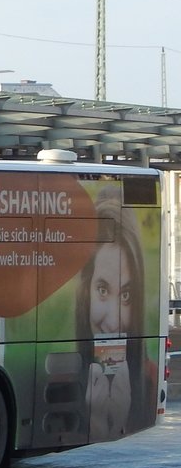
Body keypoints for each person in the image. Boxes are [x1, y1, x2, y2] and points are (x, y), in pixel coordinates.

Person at [75, 188, 154, 441]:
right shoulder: (53, 382)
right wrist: (96, 425)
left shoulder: (150, 382)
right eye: (102, 289)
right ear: (85, 291)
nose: (113, 320)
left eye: (127, 295)